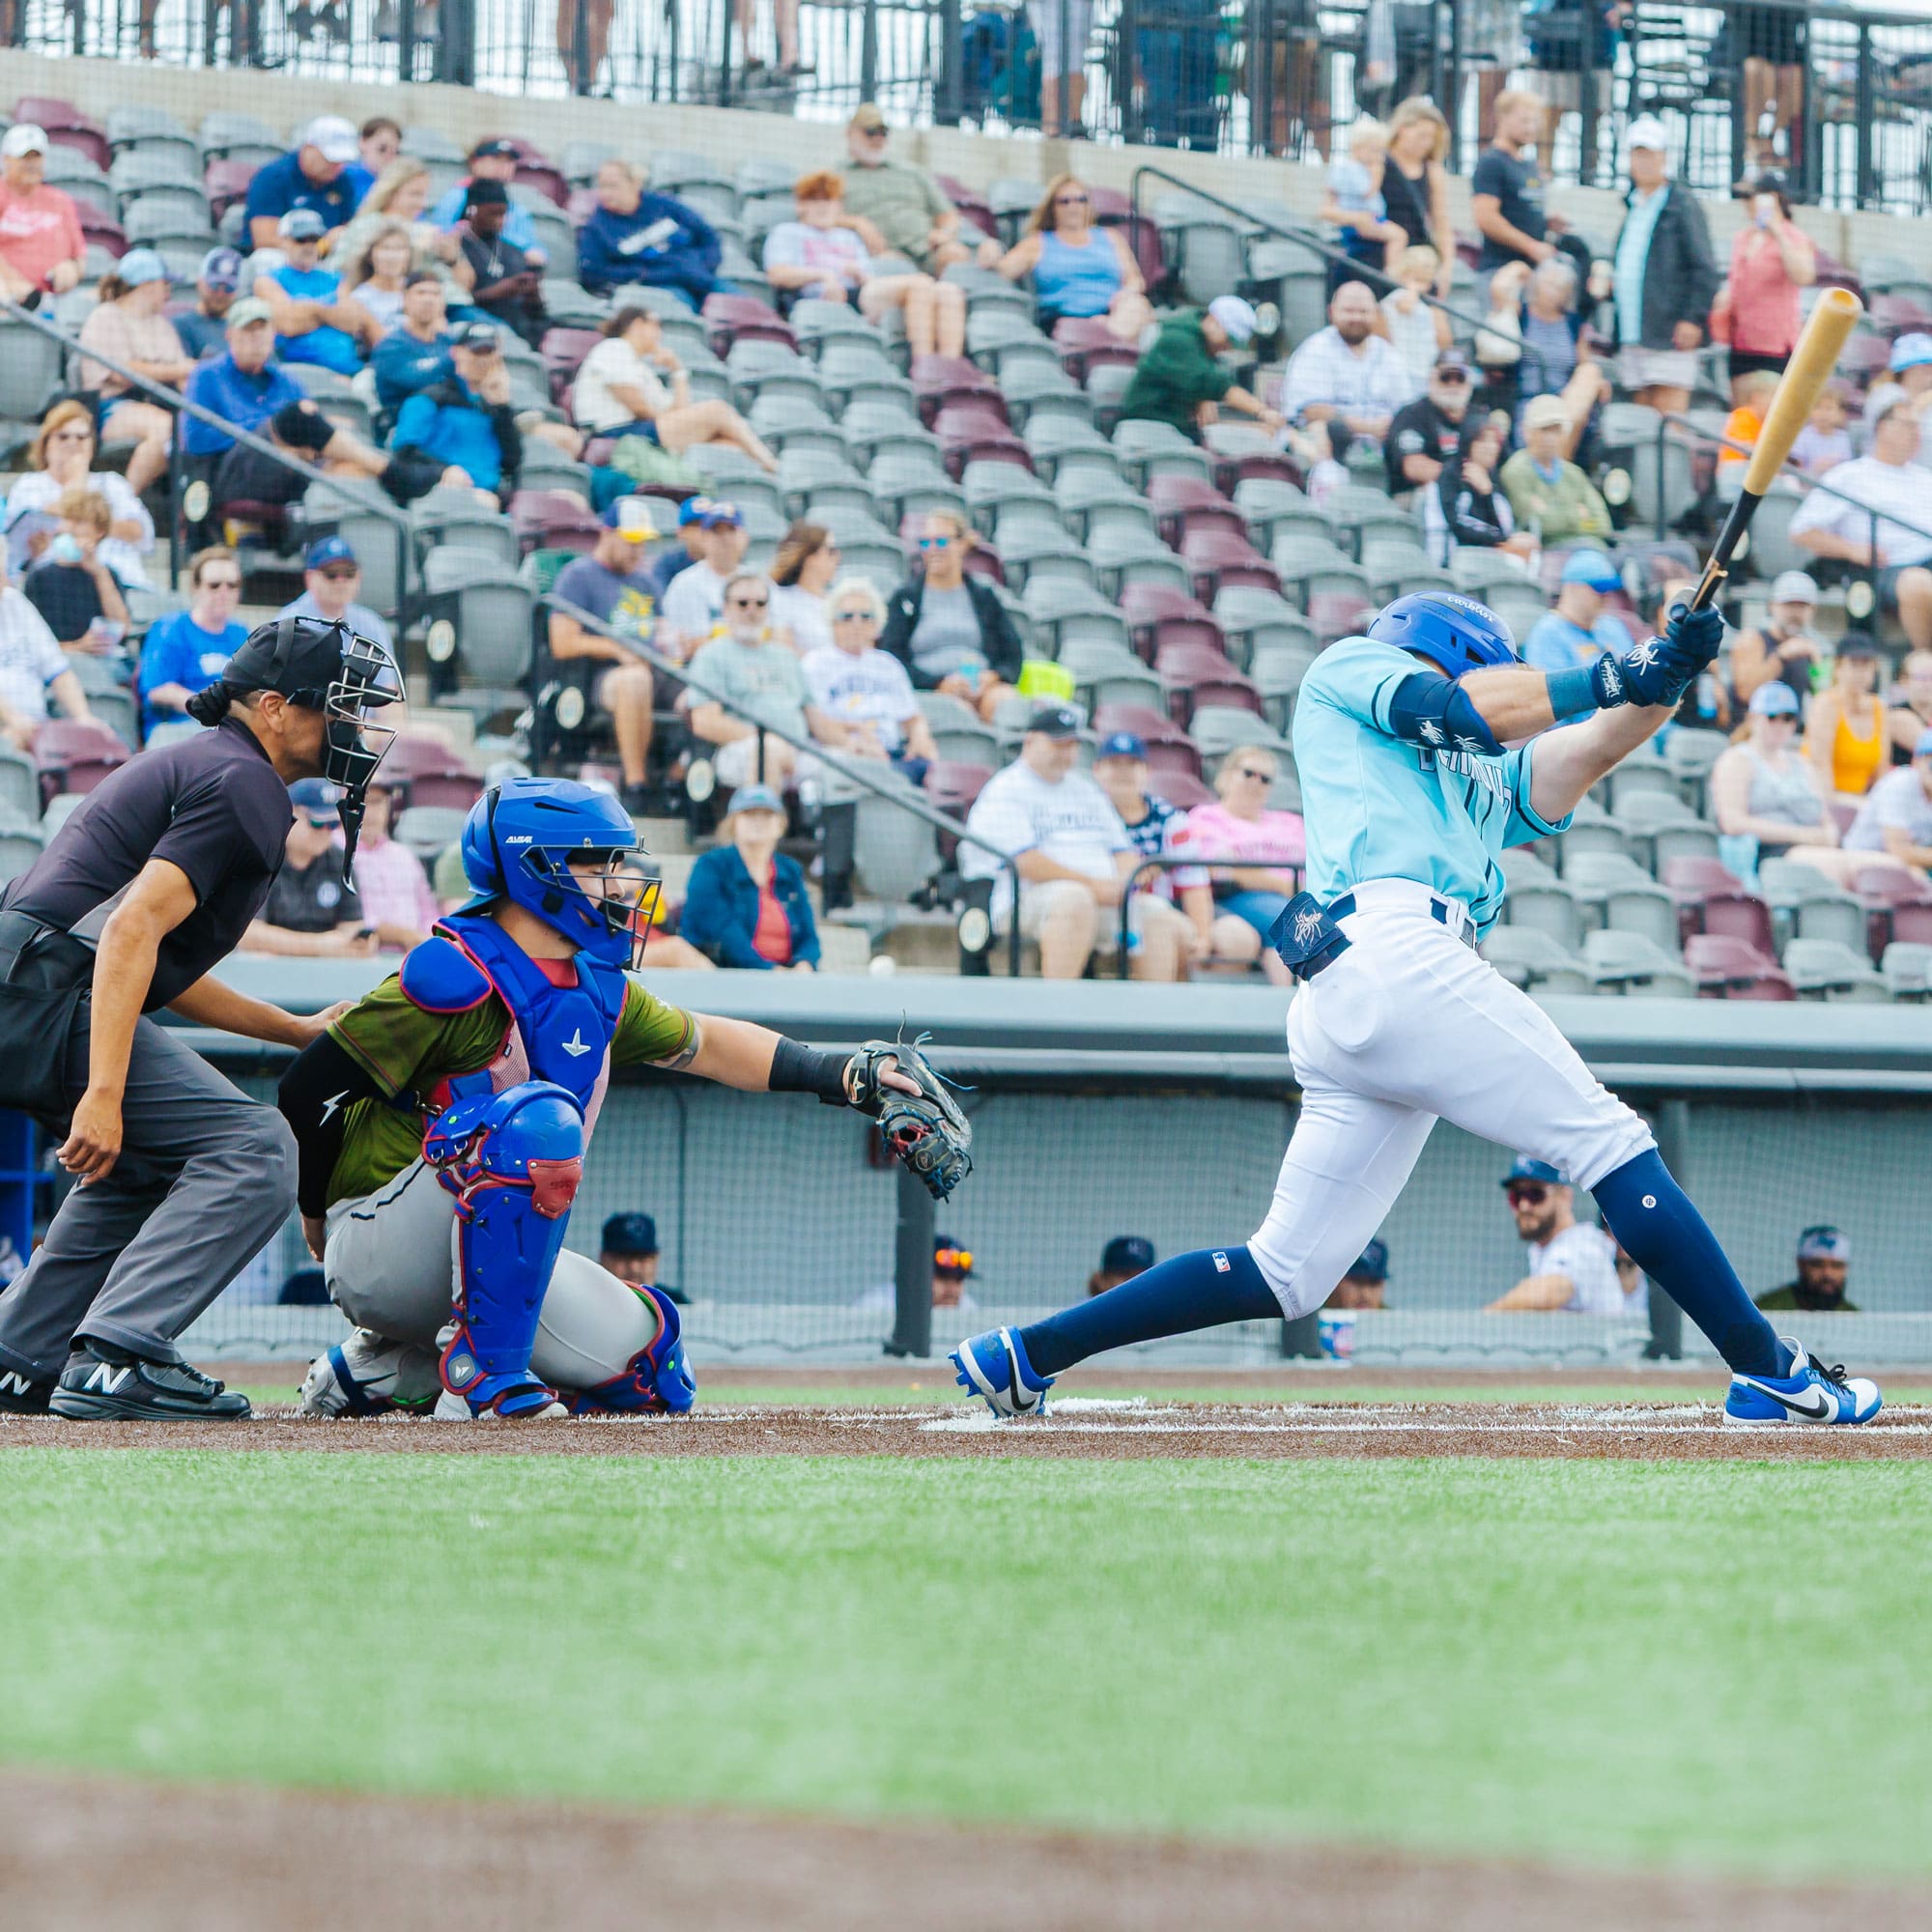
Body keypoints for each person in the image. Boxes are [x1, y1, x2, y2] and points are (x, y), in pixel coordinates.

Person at [951, 589, 1883, 1430]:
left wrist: (1669, 674)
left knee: (1286, 1272)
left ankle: (1026, 1354)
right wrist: (1611, 672)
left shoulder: (1474, 775)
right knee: (1609, 1143)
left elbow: (1589, 746)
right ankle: (1767, 1370)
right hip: (1395, 949)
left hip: (1363, 988)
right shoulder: (1352, 669)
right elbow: (1464, 707)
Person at [281, 776, 932, 1418]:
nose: (619, 885)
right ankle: (483, 1378)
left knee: (655, 1374)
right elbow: (306, 1088)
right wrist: (315, 1211)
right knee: (536, 1122)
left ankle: (384, 1371)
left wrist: (845, 1074)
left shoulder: (595, 984)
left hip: (470, 1256)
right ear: (536, 870)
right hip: (378, 1245)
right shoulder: (450, 974)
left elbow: (708, 1043)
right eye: (598, 865)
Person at [0, 616, 402, 1421]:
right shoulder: (242, 781)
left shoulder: (219, 766)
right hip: (48, 993)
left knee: (145, 1163)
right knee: (255, 1148)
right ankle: (119, 1354)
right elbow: (129, 933)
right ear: (273, 707)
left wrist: (291, 1028)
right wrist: (103, 1093)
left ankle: (18, 1354)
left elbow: (150, 961)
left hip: (33, 987)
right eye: (338, 706)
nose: (353, 726)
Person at [961, 704, 1192, 982]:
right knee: (1075, 899)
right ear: (1030, 741)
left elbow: (1122, 852)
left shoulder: (1084, 790)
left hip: (1101, 896)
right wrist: (1094, 887)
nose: (1065, 751)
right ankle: (1060, 1006)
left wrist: (1126, 882)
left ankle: (1153, 1009)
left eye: (1071, 745)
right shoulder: (1006, 789)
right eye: (1057, 743)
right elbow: (1026, 862)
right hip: (1026, 897)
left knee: (1158, 914)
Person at [762, 171, 966, 360]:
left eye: (829, 200)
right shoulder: (788, 232)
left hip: (860, 294)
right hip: (817, 297)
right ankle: (924, 362)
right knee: (919, 284)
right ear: (801, 206)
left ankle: (948, 365)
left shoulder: (848, 237)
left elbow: (869, 279)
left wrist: (860, 275)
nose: (823, 207)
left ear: (839, 206)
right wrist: (823, 276)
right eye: (815, 200)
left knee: (947, 290)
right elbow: (777, 273)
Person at [547, 498, 664, 810]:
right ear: (607, 534)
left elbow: (663, 632)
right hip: (597, 676)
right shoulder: (578, 575)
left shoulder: (646, 582)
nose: (638, 551)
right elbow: (562, 642)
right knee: (634, 680)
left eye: (642, 543)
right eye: (631, 542)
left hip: (654, 669)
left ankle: (679, 780)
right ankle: (637, 784)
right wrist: (617, 649)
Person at [1790, 401, 1932, 651]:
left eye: (1917, 427)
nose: (1916, 433)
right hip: (1888, 567)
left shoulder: (1925, 477)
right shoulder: (1849, 475)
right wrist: (1853, 550)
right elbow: (1801, 530)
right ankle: (1924, 659)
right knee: (1918, 583)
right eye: (1908, 425)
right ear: (1882, 428)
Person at [571, 305, 778, 471]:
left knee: (728, 444)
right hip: (614, 433)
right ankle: (772, 466)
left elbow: (680, 412)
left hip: (642, 430)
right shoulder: (614, 348)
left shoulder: (641, 368)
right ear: (637, 324)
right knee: (717, 410)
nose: (660, 334)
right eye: (655, 325)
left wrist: (677, 370)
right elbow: (637, 407)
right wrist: (670, 419)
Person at [1711, 681, 1870, 888]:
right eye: (1772, 717)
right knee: (1847, 869)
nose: (1780, 725)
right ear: (1753, 719)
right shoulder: (1737, 760)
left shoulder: (1802, 764)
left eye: (1788, 718)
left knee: (1878, 867)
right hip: (1768, 851)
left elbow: (1825, 816)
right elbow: (1732, 822)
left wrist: (1828, 833)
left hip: (1814, 847)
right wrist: (1801, 835)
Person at [1610, 119, 1719, 417]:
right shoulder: (1634, 205)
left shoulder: (1683, 205)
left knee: (1669, 422)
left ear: (1664, 158)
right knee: (1641, 420)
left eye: (1650, 154)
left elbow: (1704, 268)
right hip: (1635, 333)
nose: (1643, 162)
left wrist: (1692, 318)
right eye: (1638, 154)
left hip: (1669, 333)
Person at [1179, 744, 1307, 986]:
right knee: (1298, 925)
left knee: (1291, 936)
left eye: (1265, 779)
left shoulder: (1291, 823)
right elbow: (1219, 869)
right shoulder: (1205, 817)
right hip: (1234, 896)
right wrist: (1281, 885)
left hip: (1294, 898)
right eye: (1249, 773)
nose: (1256, 783)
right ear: (1226, 776)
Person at [879, 510, 1023, 723]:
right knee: (955, 711)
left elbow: (1012, 655)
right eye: (926, 543)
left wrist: (992, 677)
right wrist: (938, 683)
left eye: (941, 541)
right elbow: (892, 658)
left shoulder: (984, 597)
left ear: (962, 545)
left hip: (981, 688)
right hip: (930, 691)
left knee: (1005, 702)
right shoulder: (905, 599)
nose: (933, 550)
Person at [686, 572, 823, 792]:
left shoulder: (787, 656)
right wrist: (767, 739)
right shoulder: (711, 655)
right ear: (725, 609)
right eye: (742, 603)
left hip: (799, 749)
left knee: (851, 764)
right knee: (766, 752)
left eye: (760, 603)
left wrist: (852, 743)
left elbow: (816, 719)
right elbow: (705, 722)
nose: (752, 610)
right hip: (739, 748)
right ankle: (763, 814)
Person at [74, 249, 191, 497]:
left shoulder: (162, 325)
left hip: (160, 404)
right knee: (167, 427)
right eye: (164, 284)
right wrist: (180, 369)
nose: (168, 292)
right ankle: (125, 501)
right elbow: (122, 373)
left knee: (191, 427)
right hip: (110, 408)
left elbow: (183, 374)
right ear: (147, 285)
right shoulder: (106, 316)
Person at [5, 402, 156, 592]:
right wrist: (76, 488)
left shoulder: (112, 483)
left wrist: (90, 526)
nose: (73, 443)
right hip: (55, 585)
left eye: (82, 437)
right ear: (46, 444)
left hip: (121, 580)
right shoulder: (29, 484)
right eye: (63, 437)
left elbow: (139, 532)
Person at [801, 576, 937, 783]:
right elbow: (818, 724)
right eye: (847, 616)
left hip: (892, 754)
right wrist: (853, 741)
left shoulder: (888, 664)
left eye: (866, 616)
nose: (857, 623)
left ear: (877, 624)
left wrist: (920, 737)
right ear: (832, 622)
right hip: (845, 756)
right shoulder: (815, 663)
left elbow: (913, 718)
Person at [838, 103, 998, 274]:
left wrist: (945, 233)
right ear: (850, 133)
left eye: (883, 132)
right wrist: (857, 222)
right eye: (870, 132)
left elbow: (948, 215)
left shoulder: (912, 172)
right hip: (881, 254)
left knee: (955, 253)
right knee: (888, 269)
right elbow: (820, 215)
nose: (878, 138)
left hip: (926, 248)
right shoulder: (836, 176)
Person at [1090, 729, 1211, 954]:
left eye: (1132, 764)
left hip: (1159, 908)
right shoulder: (1084, 815)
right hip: (1100, 907)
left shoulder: (1171, 820)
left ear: (1147, 771)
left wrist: (1203, 937)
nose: (1123, 772)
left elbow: (1194, 882)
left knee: (1169, 926)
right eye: (1114, 764)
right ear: (1096, 770)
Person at [680, 782, 820, 971]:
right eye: (749, 814)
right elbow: (721, 930)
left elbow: (809, 935)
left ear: (780, 825)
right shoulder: (710, 866)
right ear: (733, 823)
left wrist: (805, 964)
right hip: (724, 973)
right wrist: (769, 970)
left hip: (786, 974)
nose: (758, 821)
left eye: (767, 815)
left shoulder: (790, 870)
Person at [996, 175, 1151, 342]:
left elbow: (1135, 280)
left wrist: (1125, 294)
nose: (1073, 206)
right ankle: (1102, 336)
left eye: (1081, 200)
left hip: (1113, 315)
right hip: (1064, 321)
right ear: (1052, 207)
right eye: (1065, 201)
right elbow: (1002, 271)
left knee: (1137, 305)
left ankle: (1103, 333)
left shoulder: (1111, 237)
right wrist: (992, 249)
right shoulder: (1036, 243)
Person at [389, 321, 523, 508]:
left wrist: (502, 409)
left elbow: (512, 461)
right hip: (442, 497)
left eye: (489, 352)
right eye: (476, 352)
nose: (483, 360)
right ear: (456, 353)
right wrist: (442, 472)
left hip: (493, 498)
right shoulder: (428, 400)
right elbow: (404, 457)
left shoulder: (496, 408)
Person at [240, 778, 375, 957]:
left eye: (333, 824)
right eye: (317, 823)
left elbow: (353, 930)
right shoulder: (261, 857)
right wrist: (320, 946)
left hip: (325, 970)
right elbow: (247, 934)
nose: (325, 831)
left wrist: (357, 944)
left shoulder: (340, 860)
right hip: (267, 969)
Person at [1484, 1155, 1634, 1315]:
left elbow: (1548, 1293)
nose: (1524, 1206)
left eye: (1535, 1194)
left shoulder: (1582, 1244)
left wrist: (1485, 1317)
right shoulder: (1543, 1250)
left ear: (1565, 1197)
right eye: (1517, 1196)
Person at [1713, 170, 1814, 402]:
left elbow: (1803, 276)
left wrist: (1777, 232)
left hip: (1774, 345)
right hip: (1741, 340)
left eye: (1751, 197)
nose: (1746, 203)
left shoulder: (1794, 237)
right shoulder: (1743, 237)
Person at [1119, 297, 1284, 440]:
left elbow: (1208, 416)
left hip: (1178, 427)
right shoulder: (1177, 340)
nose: (1227, 348)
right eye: (1228, 340)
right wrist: (1262, 411)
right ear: (1213, 321)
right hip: (1147, 426)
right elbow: (1214, 384)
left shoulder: (1203, 348)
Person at [334, 158, 475, 316]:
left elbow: (466, 283)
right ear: (391, 192)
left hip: (453, 304)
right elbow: (342, 272)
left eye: (424, 195)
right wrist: (416, 249)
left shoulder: (428, 230)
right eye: (415, 194)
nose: (422, 203)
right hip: (402, 311)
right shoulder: (367, 225)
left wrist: (452, 258)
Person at [577, 159, 721, 310]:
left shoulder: (665, 205)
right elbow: (593, 273)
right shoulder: (596, 227)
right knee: (680, 307)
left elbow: (708, 236)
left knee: (732, 303)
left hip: (698, 276)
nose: (605, 193)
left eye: (613, 186)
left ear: (635, 183)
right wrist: (644, 274)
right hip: (656, 287)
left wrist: (702, 265)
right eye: (602, 186)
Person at [1276, 281, 1408, 442]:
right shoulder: (1315, 349)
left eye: (1363, 312)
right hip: (1326, 444)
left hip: (1382, 444)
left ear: (1376, 313)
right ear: (1331, 312)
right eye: (1349, 311)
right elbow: (1313, 411)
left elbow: (1405, 407)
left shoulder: (1389, 354)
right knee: (1318, 430)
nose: (1356, 318)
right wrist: (1367, 428)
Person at [255, 208, 380, 377]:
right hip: (298, 372)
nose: (309, 246)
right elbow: (288, 325)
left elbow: (352, 322)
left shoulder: (336, 279)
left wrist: (310, 310)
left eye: (314, 240)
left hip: (348, 371)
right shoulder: (268, 280)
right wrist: (330, 313)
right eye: (301, 240)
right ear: (284, 241)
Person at [137, 546, 245, 740]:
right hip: (176, 728)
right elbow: (157, 690)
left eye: (232, 585)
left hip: (228, 731)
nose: (224, 592)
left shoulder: (242, 633)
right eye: (214, 585)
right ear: (195, 588)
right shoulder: (171, 628)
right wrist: (208, 709)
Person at [0, 552, 92, 750]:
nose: (4, 582)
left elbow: (59, 672)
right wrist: (13, 719)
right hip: (9, 729)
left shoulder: (14, 601)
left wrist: (83, 717)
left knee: (95, 739)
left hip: (37, 725)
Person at [23, 490, 129, 658]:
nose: (69, 527)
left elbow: (122, 628)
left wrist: (100, 574)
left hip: (102, 663)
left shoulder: (108, 575)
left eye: (78, 521)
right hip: (58, 661)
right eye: (66, 519)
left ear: (99, 531)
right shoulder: (40, 577)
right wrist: (78, 647)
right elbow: (31, 641)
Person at [1520, 551, 1627, 717]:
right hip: (1584, 727)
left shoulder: (1613, 626)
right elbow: (1555, 702)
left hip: (1625, 719)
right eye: (1599, 589)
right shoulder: (1548, 633)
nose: (1606, 596)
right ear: (1572, 588)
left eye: (1609, 589)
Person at [243, 115, 372, 251]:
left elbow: (348, 226)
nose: (337, 166)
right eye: (330, 159)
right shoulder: (273, 178)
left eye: (342, 161)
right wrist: (321, 246)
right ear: (308, 148)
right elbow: (265, 240)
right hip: (279, 257)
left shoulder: (341, 180)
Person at [1498, 394, 1613, 545]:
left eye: (1557, 430)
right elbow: (1540, 524)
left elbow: (1603, 525)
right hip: (1545, 549)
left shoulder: (1573, 473)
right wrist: (1578, 516)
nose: (1551, 438)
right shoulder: (1516, 470)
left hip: (1588, 546)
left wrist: (1555, 514)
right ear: (1527, 431)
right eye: (1544, 429)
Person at [1426, 412, 1534, 568]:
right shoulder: (1450, 476)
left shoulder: (1493, 479)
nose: (1490, 447)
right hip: (1455, 558)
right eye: (1482, 440)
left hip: (1490, 554)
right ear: (1468, 442)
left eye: (1494, 441)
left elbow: (1502, 527)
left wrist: (1487, 494)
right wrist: (1502, 539)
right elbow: (1457, 526)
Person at [345, 777, 437, 951]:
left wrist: (432, 941)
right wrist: (405, 935)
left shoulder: (405, 856)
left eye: (378, 802)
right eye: (363, 802)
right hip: (363, 954)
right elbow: (351, 921)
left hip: (414, 955)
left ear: (388, 806)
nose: (371, 811)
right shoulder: (336, 853)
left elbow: (429, 914)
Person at [428, 138, 551, 267]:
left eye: (509, 161)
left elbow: (536, 251)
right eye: (496, 159)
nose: (503, 166)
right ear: (476, 162)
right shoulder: (458, 196)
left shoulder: (516, 207)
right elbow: (440, 234)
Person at [0, 125, 85, 308]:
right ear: (6, 159)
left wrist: (71, 269)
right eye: (24, 157)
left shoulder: (60, 201)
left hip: (51, 300)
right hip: (7, 298)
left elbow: (80, 258)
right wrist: (13, 282)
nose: (32, 164)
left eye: (37, 157)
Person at [454, 180, 546, 349]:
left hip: (519, 331)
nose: (500, 220)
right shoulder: (456, 249)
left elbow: (537, 313)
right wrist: (497, 292)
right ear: (472, 210)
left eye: (503, 214)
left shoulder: (514, 251)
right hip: (476, 333)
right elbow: (456, 304)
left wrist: (533, 294)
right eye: (493, 214)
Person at [1470, 90, 1553, 276]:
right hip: (1500, 270)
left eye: (1535, 122)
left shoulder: (1529, 164)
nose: (1530, 128)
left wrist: (1547, 222)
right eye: (1524, 121)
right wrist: (1530, 246)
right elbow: (1486, 218)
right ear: (1502, 118)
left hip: (1532, 270)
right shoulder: (1492, 161)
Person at [1320, 118, 1406, 291]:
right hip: (1363, 225)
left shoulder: (1343, 170)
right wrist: (1376, 175)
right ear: (1358, 147)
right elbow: (1366, 192)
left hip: (1369, 230)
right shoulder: (1357, 171)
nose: (1379, 157)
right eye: (1375, 150)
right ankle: (1392, 272)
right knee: (1398, 235)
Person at [1380, 97, 1455, 296]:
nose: (1426, 143)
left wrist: (1446, 268)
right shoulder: (1380, 162)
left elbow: (1441, 222)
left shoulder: (1432, 171)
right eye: (1422, 135)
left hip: (1417, 257)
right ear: (1402, 128)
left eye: (1431, 138)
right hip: (1380, 249)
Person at [277, 534, 396, 656]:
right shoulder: (288, 624)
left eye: (349, 573)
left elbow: (385, 668)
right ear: (310, 578)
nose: (341, 581)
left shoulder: (371, 624)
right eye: (331, 574)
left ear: (359, 576)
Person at [1804, 636, 1888, 801]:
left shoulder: (1879, 707)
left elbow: (1881, 769)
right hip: (1823, 797)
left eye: (1866, 665)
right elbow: (1819, 765)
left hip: (1861, 800)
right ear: (1838, 668)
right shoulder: (1826, 704)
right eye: (1854, 664)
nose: (1860, 673)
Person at [662, 499, 752, 653]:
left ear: (744, 537)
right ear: (704, 539)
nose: (725, 538)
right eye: (716, 531)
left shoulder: (758, 581)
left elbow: (776, 635)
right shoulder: (686, 584)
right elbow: (698, 646)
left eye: (731, 530)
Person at [1843, 726, 1932, 874]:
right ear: (1916, 762)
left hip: (1902, 867)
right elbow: (1900, 851)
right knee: (1916, 874)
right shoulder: (1899, 783)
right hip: (1862, 864)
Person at [1385, 350, 1471, 499]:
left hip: (1467, 496)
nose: (1453, 384)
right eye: (1445, 377)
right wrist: (1465, 478)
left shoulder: (1478, 415)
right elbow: (1414, 467)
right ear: (1432, 379)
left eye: (1460, 378)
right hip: (1415, 497)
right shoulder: (1411, 415)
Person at [1728, 570, 1827, 700]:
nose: (1795, 613)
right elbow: (1746, 693)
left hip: (1792, 713)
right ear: (1772, 606)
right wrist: (1781, 656)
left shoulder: (1808, 647)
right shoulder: (1752, 639)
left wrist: (1817, 663)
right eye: (1789, 605)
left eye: (1802, 606)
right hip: (1752, 714)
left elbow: (1823, 695)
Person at [371, 271, 453, 423]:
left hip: (446, 420)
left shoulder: (447, 342)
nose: (428, 300)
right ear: (405, 299)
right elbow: (415, 380)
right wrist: (457, 357)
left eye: (435, 294)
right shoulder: (390, 346)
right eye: (421, 293)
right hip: (403, 423)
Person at [1379, 244, 1451, 397]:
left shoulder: (1429, 305)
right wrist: (1412, 288)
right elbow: (1405, 307)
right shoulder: (1397, 297)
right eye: (1418, 279)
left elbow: (1444, 340)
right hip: (1403, 367)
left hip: (1426, 365)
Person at [769, 520, 840, 657]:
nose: (838, 557)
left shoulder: (838, 602)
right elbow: (784, 653)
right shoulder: (781, 600)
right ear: (809, 556)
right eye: (831, 551)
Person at [1756, 1227, 1859, 1314]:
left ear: (1846, 1268)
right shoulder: (1766, 1310)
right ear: (1800, 1264)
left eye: (1836, 1266)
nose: (1827, 1274)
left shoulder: (1854, 1316)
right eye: (1817, 1264)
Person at [338, 220, 414, 335]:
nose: (392, 256)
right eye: (385, 248)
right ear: (370, 255)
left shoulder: (419, 291)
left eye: (399, 248)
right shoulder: (359, 298)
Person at [175, 246, 245, 361]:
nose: (220, 293)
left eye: (229, 288)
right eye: (214, 286)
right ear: (200, 283)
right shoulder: (182, 325)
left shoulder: (245, 326)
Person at [646, 494, 713, 604]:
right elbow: (659, 602)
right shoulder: (669, 564)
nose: (704, 531)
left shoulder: (730, 562)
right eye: (696, 525)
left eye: (710, 525)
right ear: (681, 532)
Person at [1791, 384, 1853, 478]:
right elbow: (1796, 468)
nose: (1823, 413)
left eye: (1829, 408)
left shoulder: (1843, 438)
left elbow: (1846, 465)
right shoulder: (1803, 436)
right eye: (1817, 407)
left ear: (1841, 414)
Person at [1887, 648, 1932, 764]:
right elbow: (1926, 747)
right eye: (1922, 677)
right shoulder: (1898, 714)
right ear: (1904, 681)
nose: (1928, 684)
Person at [598, 1212, 663, 1292]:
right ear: (603, 1258)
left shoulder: (671, 1299)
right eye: (623, 1257)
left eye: (642, 1258)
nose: (634, 1268)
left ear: (656, 1259)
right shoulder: (588, 1297)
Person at [1087, 1235, 1154, 1298]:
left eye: (1144, 1276)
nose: (1136, 1283)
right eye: (1127, 1274)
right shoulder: (1084, 1306)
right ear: (1103, 1281)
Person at [1329, 1238, 1387, 1311]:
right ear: (1337, 1282)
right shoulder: (1317, 1313)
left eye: (1373, 1283)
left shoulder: (1394, 1317)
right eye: (1356, 1281)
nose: (1365, 1295)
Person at [358, 115, 402, 179]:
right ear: (363, 142)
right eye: (382, 149)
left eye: (396, 152)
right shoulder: (347, 178)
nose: (389, 157)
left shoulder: (397, 179)